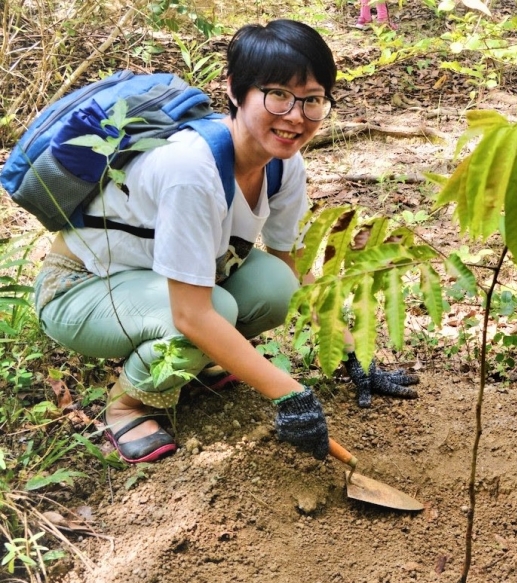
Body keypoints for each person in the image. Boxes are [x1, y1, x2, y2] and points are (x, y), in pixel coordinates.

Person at [33, 19, 416, 465]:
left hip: (153, 280)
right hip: (82, 289)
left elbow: (291, 263)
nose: (296, 116)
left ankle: (199, 364)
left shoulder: (281, 162)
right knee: (211, 314)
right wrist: (290, 395)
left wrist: (353, 351)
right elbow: (192, 314)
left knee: (277, 288)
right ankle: (129, 403)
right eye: (278, 95)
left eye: (313, 100)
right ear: (235, 90)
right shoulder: (191, 169)